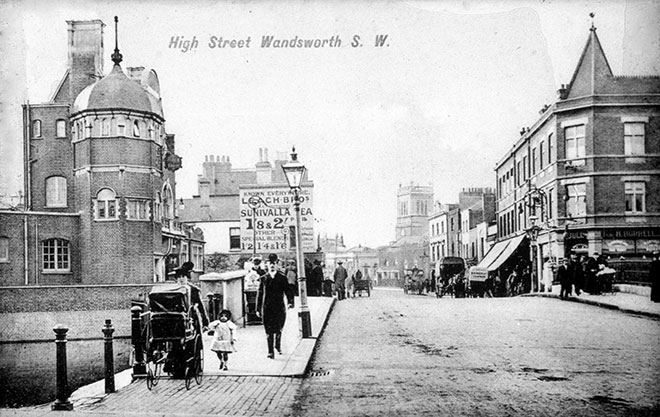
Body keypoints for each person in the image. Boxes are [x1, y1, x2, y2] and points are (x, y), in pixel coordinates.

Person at [256, 253, 294, 359]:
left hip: (279, 308)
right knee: (268, 331)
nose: (272, 265)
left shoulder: (282, 278)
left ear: (277, 264)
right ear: (267, 265)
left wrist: (290, 302)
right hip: (267, 308)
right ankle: (270, 351)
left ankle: (278, 345)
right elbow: (260, 294)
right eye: (270, 263)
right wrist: (258, 308)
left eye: (274, 263)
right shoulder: (263, 279)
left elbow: (288, 290)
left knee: (278, 329)